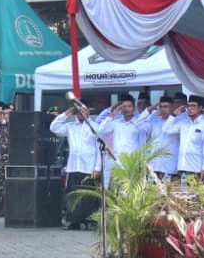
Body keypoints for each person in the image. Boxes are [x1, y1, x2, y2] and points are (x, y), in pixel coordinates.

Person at [50, 102, 102, 230]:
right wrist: (67, 113)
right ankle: (74, 221)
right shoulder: (70, 126)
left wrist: (97, 167)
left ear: (88, 111)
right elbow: (54, 128)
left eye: (83, 110)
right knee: (73, 194)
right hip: (74, 166)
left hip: (89, 167)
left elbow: (99, 149)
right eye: (78, 111)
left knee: (89, 195)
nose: (81, 113)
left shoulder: (95, 127)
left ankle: (91, 221)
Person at [97, 93, 150, 187]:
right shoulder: (115, 123)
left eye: (129, 106)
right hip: (117, 164)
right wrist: (111, 115)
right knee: (117, 191)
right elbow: (100, 131)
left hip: (133, 164)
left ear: (134, 108)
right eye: (124, 107)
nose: (126, 109)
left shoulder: (140, 123)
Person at [164, 95, 204, 180]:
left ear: (200, 108)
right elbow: (166, 130)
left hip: (196, 168)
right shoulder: (183, 123)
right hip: (182, 167)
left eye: (193, 105)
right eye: (188, 106)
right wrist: (173, 115)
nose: (190, 108)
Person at [144, 95, 180, 179]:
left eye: (166, 107)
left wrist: (172, 117)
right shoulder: (154, 120)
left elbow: (166, 129)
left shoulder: (178, 121)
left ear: (172, 107)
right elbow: (138, 124)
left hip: (170, 167)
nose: (163, 109)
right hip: (155, 166)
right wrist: (149, 110)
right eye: (161, 107)